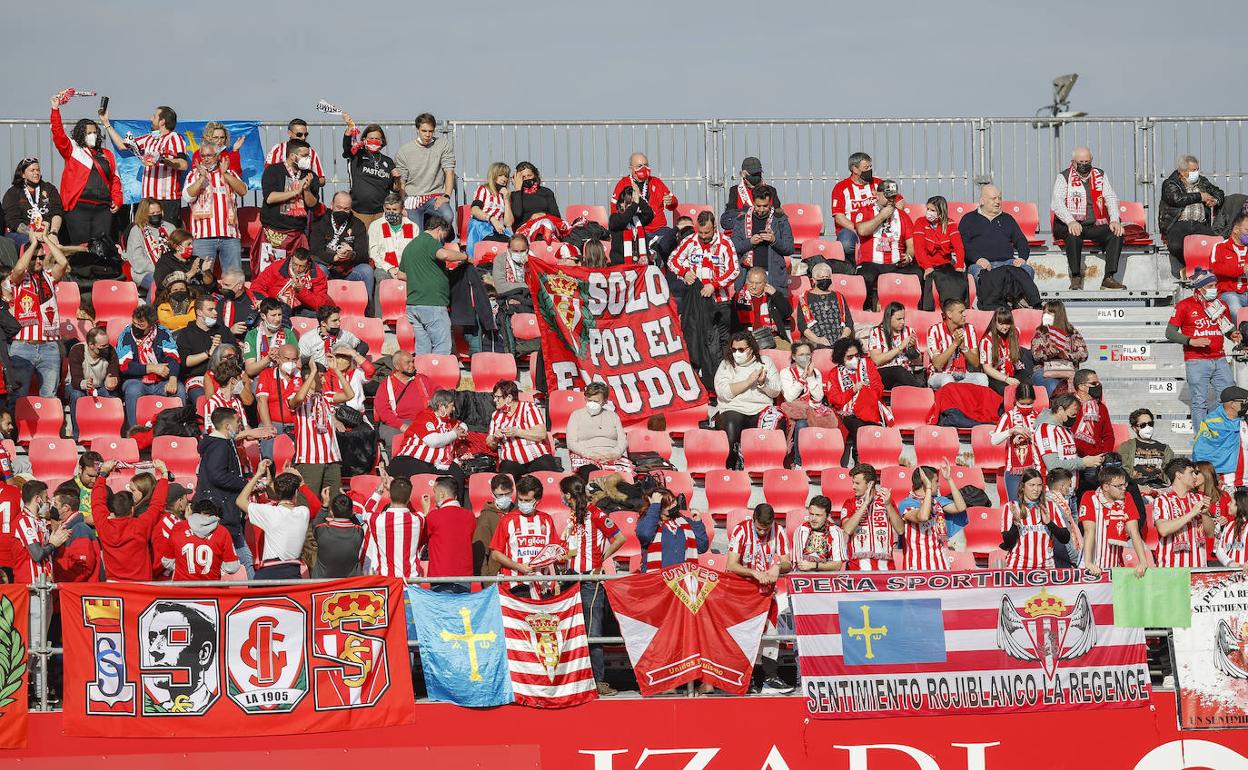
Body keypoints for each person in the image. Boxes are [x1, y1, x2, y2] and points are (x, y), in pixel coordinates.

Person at [559, 475, 624, 693]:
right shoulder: (570, 518)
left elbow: (620, 537)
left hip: (590, 579)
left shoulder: (596, 513)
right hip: (569, 577)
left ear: (568, 495)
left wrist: (601, 559)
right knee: (570, 630)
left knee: (593, 631)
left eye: (564, 495)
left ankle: (598, 681)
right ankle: (574, 678)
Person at [726, 503, 793, 694]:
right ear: (753, 519)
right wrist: (753, 573)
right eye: (759, 528)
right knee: (745, 634)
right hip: (742, 592)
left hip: (766, 593)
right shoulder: (741, 530)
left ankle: (770, 678)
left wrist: (777, 566)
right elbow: (731, 564)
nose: (763, 532)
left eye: (766, 528)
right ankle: (747, 679)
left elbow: (788, 562)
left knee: (771, 633)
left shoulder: (778, 531)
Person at [1168, 269, 1240, 427]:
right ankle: (1201, 438)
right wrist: (1191, 341)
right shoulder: (1184, 306)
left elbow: (1226, 328)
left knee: (1229, 397)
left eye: (1215, 284)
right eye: (1210, 285)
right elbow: (1169, 333)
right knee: (1199, 402)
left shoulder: (1221, 305)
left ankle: (1223, 431)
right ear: (1199, 287)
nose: (1215, 288)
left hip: (1220, 358)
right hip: (1196, 360)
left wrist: (1232, 334)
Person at [49, 93, 121, 244]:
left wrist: (117, 199)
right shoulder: (74, 149)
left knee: (102, 250)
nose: (93, 135)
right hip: (79, 208)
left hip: (103, 209)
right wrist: (55, 109)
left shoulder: (107, 154)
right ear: (81, 134)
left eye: (95, 132)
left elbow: (115, 179)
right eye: (89, 133)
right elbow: (58, 134)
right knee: (81, 250)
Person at [1050, 147, 1126, 290]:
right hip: (1068, 223)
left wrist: (1115, 219)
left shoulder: (1100, 175)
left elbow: (1110, 197)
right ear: (1073, 163)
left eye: (1087, 161)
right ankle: (1076, 276)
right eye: (1080, 162)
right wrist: (1070, 220)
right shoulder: (1064, 177)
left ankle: (1108, 278)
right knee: (1073, 234)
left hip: (1093, 224)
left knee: (1116, 232)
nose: (1084, 164)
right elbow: (1057, 203)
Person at [100, 103, 188, 223]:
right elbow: (121, 145)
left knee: (167, 236)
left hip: (167, 199)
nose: (151, 119)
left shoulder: (174, 138)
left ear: (162, 121)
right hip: (147, 200)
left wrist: (163, 160)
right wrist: (106, 123)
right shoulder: (148, 139)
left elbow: (183, 164)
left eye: (154, 116)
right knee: (144, 235)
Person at [6, 234, 69, 398]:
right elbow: (19, 269)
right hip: (22, 346)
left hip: (49, 346)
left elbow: (63, 263)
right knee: (18, 398)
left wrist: (46, 239)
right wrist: (33, 244)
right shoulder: (18, 279)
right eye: (34, 257)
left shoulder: (49, 276)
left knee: (49, 397)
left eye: (41, 257)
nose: (38, 261)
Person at [959, 185, 1039, 310]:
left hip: (1007, 263)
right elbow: (962, 245)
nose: (998, 202)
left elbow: (1021, 240)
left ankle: (1019, 302)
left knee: (1027, 269)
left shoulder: (1007, 219)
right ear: (982, 201)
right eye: (993, 198)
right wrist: (978, 259)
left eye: (999, 198)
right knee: (976, 272)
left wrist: (1022, 258)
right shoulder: (968, 219)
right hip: (981, 263)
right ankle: (989, 305)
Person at [669, 211, 740, 352]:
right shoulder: (690, 240)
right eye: (700, 232)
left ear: (714, 228)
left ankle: (723, 371)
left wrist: (714, 285)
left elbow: (734, 270)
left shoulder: (725, 242)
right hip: (697, 301)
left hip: (720, 301)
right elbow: (672, 260)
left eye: (706, 232)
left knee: (723, 340)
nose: (703, 236)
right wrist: (684, 272)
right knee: (697, 340)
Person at [194, 407, 253, 573]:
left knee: (243, 558)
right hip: (223, 512)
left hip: (223, 509)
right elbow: (218, 476)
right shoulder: (219, 446)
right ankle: (252, 596)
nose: (240, 426)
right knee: (245, 560)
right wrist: (244, 483)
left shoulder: (220, 443)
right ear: (227, 426)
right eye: (238, 422)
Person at [399, 214, 467, 355]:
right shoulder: (431, 242)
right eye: (443, 234)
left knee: (423, 349)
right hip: (432, 303)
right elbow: (444, 255)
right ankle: (437, 376)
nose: (442, 239)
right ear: (438, 230)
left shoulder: (410, 246)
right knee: (442, 348)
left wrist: (420, 277)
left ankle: (423, 375)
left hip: (413, 305)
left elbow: (401, 274)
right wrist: (464, 256)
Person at [714, 332, 783, 470]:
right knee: (731, 424)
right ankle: (731, 466)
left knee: (777, 420)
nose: (736, 353)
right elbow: (723, 393)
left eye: (741, 350)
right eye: (734, 350)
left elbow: (776, 391)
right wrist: (748, 381)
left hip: (760, 408)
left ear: (751, 348)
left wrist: (763, 382)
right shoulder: (726, 364)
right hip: (734, 408)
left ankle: (770, 466)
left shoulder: (765, 362)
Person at [92, 459, 169, 581]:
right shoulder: (141, 525)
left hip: (115, 587)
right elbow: (157, 505)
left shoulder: (104, 525)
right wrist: (164, 474)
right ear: (132, 509)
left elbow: (97, 502)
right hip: (140, 586)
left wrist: (103, 474)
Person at [236, 462, 314, 579]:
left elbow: (240, 501)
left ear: (277, 493)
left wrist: (257, 474)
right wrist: (302, 483)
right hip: (293, 574)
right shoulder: (303, 513)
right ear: (296, 492)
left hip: (269, 574)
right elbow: (316, 505)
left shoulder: (269, 512)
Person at [853, 179, 921, 311]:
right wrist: (881, 216)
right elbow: (861, 230)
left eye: (893, 197)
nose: (891, 200)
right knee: (864, 276)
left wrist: (909, 256)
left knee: (918, 273)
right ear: (877, 195)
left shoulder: (902, 216)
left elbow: (911, 243)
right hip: (871, 261)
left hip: (895, 262)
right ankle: (865, 312)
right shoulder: (865, 210)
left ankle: (915, 311)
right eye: (888, 196)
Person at [289, 361, 353, 499]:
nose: (324, 380)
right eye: (321, 376)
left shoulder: (326, 396)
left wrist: (336, 370)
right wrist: (312, 372)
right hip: (309, 459)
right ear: (309, 378)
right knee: (308, 501)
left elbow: (349, 395)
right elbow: (298, 398)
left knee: (334, 500)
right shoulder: (298, 397)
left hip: (331, 458)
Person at [489, 474, 561, 598]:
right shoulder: (507, 520)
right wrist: (518, 566)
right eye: (520, 500)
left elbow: (554, 550)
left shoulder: (546, 520)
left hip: (544, 585)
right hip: (516, 585)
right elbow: (495, 554)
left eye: (527, 500)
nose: (523, 503)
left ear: (537, 501)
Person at [183, 138, 246, 273]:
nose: (206, 159)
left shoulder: (229, 173)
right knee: (201, 278)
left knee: (233, 277)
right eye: (203, 156)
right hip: (203, 236)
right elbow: (188, 196)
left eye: (209, 155)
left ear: (217, 156)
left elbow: (243, 191)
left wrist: (225, 175)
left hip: (229, 235)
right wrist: (201, 179)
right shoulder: (193, 175)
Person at [257, 139, 320, 273]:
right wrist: (295, 191)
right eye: (304, 156)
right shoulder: (273, 171)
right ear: (292, 156)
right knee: (269, 274)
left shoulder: (310, 175)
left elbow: (312, 204)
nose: (308, 159)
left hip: (296, 234)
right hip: (272, 233)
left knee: (298, 273)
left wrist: (306, 190)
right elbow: (270, 198)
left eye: (308, 156)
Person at [116, 305, 183, 429]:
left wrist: (173, 378)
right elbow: (125, 366)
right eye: (134, 323)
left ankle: (179, 430)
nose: (136, 328)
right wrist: (152, 368)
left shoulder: (163, 332)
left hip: (162, 380)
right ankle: (134, 431)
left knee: (179, 389)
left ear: (151, 325)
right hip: (136, 380)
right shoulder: (125, 335)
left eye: (141, 325)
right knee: (133, 390)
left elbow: (173, 357)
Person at [826, 336, 888, 466]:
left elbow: (878, 386)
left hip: (870, 408)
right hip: (847, 413)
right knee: (858, 426)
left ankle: (872, 460)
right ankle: (859, 459)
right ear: (841, 357)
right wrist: (853, 391)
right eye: (849, 357)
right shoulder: (834, 373)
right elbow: (835, 399)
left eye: (856, 355)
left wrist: (866, 396)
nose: (854, 359)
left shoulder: (868, 364)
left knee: (871, 426)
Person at [1159, 154, 1224, 275]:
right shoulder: (1170, 183)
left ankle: (1206, 270)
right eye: (1193, 170)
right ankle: (1188, 266)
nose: (1197, 173)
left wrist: (1215, 200)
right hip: (1178, 223)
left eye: (1197, 169)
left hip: (1200, 224)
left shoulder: (1202, 182)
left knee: (1216, 245)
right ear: (1183, 172)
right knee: (1175, 245)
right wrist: (1200, 196)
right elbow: (1177, 199)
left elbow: (1219, 192)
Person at [896, 462, 968, 571]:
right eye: (936, 481)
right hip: (917, 565)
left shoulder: (937, 500)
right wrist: (928, 488)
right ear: (925, 482)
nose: (939, 485)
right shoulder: (906, 503)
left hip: (941, 562)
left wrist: (949, 479)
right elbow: (923, 516)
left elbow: (961, 507)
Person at [1079, 466, 1148, 577]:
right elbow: (1089, 531)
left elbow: (1134, 531)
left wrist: (1143, 561)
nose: (1124, 488)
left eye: (1124, 484)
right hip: (1091, 564)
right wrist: (1088, 563)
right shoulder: (1089, 497)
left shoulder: (1127, 497)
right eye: (1118, 486)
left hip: (1114, 565)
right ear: (1106, 487)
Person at [390, 389, 469, 486]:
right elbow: (433, 441)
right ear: (441, 407)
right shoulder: (425, 416)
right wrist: (454, 434)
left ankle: (452, 501)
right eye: (451, 406)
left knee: (458, 474)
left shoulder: (449, 422)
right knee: (423, 476)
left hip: (435, 464)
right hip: (412, 459)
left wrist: (461, 430)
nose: (453, 409)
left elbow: (463, 425)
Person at [1000, 467, 1071, 569]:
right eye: (1032, 485)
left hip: (1046, 567)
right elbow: (1008, 543)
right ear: (1023, 487)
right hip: (1018, 567)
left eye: (1039, 485)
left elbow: (1065, 538)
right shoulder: (1011, 507)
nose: (1036, 489)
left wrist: (1049, 523)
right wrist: (1015, 524)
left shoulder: (1050, 506)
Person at [728, 185, 794, 294]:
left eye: (765, 206)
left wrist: (774, 241)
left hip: (773, 276)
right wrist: (750, 243)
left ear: (770, 203)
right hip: (748, 276)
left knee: (772, 310)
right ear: (753, 202)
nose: (762, 209)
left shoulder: (780, 219)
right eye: (758, 206)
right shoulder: (741, 220)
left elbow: (790, 247)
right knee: (748, 311)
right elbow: (733, 247)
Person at [395, 113, 456, 232]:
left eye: (431, 131)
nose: (427, 134)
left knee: (448, 216)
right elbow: (402, 180)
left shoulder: (442, 144)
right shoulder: (405, 151)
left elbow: (449, 170)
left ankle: (438, 246)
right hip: (412, 197)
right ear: (417, 129)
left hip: (434, 195)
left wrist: (447, 196)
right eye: (424, 131)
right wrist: (402, 204)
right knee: (415, 232)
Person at [310, 191, 374, 302]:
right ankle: (319, 309)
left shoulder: (357, 224)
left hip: (348, 270)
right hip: (328, 267)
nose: (342, 211)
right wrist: (334, 257)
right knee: (320, 269)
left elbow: (363, 254)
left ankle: (367, 312)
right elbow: (315, 251)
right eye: (339, 207)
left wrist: (351, 255)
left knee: (366, 270)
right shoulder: (320, 222)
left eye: (346, 209)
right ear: (332, 205)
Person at [488, 379, 560, 477]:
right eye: (494, 396)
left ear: (509, 398)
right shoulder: (496, 415)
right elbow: (490, 443)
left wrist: (517, 432)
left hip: (536, 457)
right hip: (511, 462)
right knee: (505, 475)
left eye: (497, 397)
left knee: (550, 471)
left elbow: (541, 434)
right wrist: (494, 438)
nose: (494, 400)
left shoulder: (528, 408)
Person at [1153, 458, 1217, 568]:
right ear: (1179, 475)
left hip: (1198, 567)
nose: (1195, 476)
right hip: (1172, 569)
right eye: (1191, 473)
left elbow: (1210, 533)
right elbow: (1163, 530)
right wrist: (1192, 513)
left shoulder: (1199, 498)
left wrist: (1205, 514)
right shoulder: (1162, 500)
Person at [841, 463, 903, 571]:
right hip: (856, 568)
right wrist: (865, 504)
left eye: (857, 483)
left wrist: (888, 505)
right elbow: (847, 529)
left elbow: (901, 530)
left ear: (870, 484)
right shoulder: (850, 503)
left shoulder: (886, 500)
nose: (853, 487)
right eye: (853, 483)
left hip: (885, 569)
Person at [339, 115, 398, 227]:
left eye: (377, 138)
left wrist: (398, 178)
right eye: (371, 138)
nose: (374, 141)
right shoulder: (357, 154)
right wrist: (349, 129)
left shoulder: (388, 161)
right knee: (362, 244)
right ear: (364, 139)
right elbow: (347, 148)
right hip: (359, 212)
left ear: (382, 141)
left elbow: (394, 188)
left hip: (382, 213)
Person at [611, 152, 678, 250]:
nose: (643, 168)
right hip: (636, 230)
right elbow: (614, 210)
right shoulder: (623, 184)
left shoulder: (656, 182)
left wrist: (670, 201)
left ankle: (657, 254)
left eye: (646, 165)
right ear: (631, 169)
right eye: (639, 166)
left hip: (659, 229)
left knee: (672, 235)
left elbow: (674, 204)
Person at [780, 340, 831, 468]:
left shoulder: (816, 372)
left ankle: (824, 460)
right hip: (794, 412)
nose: (805, 358)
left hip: (813, 409)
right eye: (801, 355)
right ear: (793, 356)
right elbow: (789, 397)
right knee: (802, 424)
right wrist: (803, 378)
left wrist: (810, 377)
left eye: (808, 355)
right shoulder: (786, 372)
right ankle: (799, 462)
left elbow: (818, 397)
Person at [162, 498, 241, 581]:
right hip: (210, 590)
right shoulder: (222, 532)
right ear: (215, 515)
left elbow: (167, 562)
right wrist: (217, 565)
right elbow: (232, 567)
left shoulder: (178, 528)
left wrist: (182, 564)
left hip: (183, 590)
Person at [177, 296, 236, 404]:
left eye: (215, 309)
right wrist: (208, 353)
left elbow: (237, 355)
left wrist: (222, 348)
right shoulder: (186, 333)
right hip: (198, 379)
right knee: (204, 400)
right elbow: (185, 362)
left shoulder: (223, 330)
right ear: (199, 312)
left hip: (224, 376)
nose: (215, 313)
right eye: (210, 310)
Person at [65, 327, 121, 440]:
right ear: (91, 345)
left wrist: (112, 381)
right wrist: (85, 384)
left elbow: (114, 372)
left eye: (107, 344)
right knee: (77, 395)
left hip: (100, 386)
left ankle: (110, 433)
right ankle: (79, 435)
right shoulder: (77, 350)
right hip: (78, 385)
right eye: (102, 346)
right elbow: (75, 379)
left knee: (111, 394)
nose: (107, 348)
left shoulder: (111, 351)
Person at [636, 488, 710, 572]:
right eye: (669, 503)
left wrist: (697, 524)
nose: (675, 504)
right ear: (659, 507)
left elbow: (702, 547)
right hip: (656, 579)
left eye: (674, 500)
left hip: (682, 579)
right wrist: (655, 505)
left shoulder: (684, 521)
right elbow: (645, 534)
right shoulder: (648, 522)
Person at [565, 382, 630, 477]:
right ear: (585, 399)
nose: (592, 404)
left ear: (604, 401)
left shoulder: (613, 416)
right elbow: (571, 442)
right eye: (589, 400)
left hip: (612, 457)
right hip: (588, 457)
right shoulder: (576, 415)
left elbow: (622, 440)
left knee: (623, 480)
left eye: (596, 402)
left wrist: (616, 453)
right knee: (590, 474)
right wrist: (590, 454)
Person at [914, 195, 967, 311]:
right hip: (926, 264)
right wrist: (927, 267)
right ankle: (929, 309)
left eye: (933, 210)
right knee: (930, 277)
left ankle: (955, 308)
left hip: (944, 264)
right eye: (928, 209)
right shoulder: (920, 222)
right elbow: (919, 249)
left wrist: (959, 266)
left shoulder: (950, 224)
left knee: (957, 278)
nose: (929, 213)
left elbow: (959, 247)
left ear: (941, 212)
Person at [991, 382, 1043, 502]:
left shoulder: (1039, 416)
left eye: (1029, 404)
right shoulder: (1008, 416)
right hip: (1013, 471)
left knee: (1034, 506)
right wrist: (1012, 430)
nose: (1026, 407)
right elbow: (994, 440)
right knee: (1015, 506)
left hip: (1034, 470)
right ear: (1016, 400)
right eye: (1022, 404)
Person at [423, 475, 475, 592]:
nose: (434, 496)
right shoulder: (470, 516)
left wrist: (426, 514)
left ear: (442, 494)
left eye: (435, 492)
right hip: (464, 577)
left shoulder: (433, 516)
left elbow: (422, 539)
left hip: (440, 577)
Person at [1036, 393, 1105, 478]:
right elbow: (1053, 465)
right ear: (1060, 410)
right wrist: (1083, 462)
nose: (1074, 418)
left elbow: (1069, 458)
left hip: (1068, 487)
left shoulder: (1065, 428)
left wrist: (1091, 460)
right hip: (1052, 487)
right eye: (1072, 415)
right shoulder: (1046, 429)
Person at [374, 351, 432, 450]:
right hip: (396, 423)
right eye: (408, 362)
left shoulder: (422, 379)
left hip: (423, 421)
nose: (412, 365)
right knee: (394, 439)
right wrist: (401, 426)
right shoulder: (386, 384)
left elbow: (440, 394)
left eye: (413, 362)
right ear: (397, 366)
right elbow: (383, 411)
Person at [830, 152, 883, 261]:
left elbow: (899, 201)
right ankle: (852, 267)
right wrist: (858, 230)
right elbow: (839, 217)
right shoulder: (841, 187)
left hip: (878, 227)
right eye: (866, 167)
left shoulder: (878, 183)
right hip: (852, 231)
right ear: (855, 169)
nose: (869, 170)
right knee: (846, 243)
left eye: (870, 167)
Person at [926, 298, 987, 388]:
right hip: (939, 374)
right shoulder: (934, 331)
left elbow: (976, 363)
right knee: (947, 379)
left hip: (962, 374)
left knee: (982, 378)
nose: (964, 315)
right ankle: (952, 402)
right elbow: (937, 364)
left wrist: (963, 347)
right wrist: (955, 344)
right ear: (949, 314)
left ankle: (979, 402)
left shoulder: (970, 329)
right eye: (961, 312)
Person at [251, 248, 330, 318]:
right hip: (274, 304)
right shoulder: (277, 267)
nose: (297, 269)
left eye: (301, 266)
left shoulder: (317, 275)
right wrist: (266, 302)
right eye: (295, 264)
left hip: (300, 309)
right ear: (291, 259)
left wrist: (301, 291)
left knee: (323, 315)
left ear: (308, 264)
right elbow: (257, 286)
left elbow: (321, 304)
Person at [1030, 300, 1087, 396]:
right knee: (1054, 386)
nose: (1045, 315)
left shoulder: (1072, 333)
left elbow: (1084, 354)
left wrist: (1066, 355)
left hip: (1068, 370)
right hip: (1044, 370)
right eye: (1044, 312)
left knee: (1085, 384)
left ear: (1058, 315)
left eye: (1049, 313)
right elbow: (1036, 355)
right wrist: (1050, 352)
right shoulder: (1040, 333)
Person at [254, 344, 302, 459]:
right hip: (274, 424)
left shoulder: (302, 376)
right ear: (278, 358)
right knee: (270, 458)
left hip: (297, 424)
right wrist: (268, 426)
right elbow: (262, 401)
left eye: (294, 359)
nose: (290, 362)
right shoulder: (267, 374)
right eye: (287, 359)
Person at [3, 157, 63, 249]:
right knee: (34, 245)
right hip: (22, 234)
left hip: (48, 231)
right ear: (23, 174)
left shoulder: (49, 188)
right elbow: (13, 220)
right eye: (32, 170)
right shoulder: (13, 192)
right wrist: (33, 233)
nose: (36, 173)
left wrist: (53, 233)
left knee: (57, 245)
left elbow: (57, 211)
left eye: (38, 170)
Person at [1192, 386, 1248, 480]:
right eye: (1244, 402)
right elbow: (1201, 453)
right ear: (1232, 404)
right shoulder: (1210, 423)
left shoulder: (1243, 421)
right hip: (1224, 481)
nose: (1246, 404)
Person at [368, 194, 418, 299]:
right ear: (383, 208)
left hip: (406, 268)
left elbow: (415, 253)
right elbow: (373, 253)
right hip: (384, 267)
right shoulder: (375, 226)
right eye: (388, 209)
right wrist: (390, 268)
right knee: (381, 279)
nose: (391, 212)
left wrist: (403, 270)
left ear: (402, 209)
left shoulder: (413, 227)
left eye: (394, 209)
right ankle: (380, 315)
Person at [731, 266, 793, 350]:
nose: (753, 286)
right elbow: (732, 324)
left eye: (758, 283)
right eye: (751, 282)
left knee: (789, 350)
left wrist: (775, 294)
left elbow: (787, 312)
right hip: (747, 338)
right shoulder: (738, 297)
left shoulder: (772, 296)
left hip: (772, 337)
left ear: (765, 283)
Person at [796, 261, 854, 349]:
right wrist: (817, 339)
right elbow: (802, 326)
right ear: (814, 280)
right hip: (816, 341)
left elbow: (848, 322)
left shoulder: (838, 296)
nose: (824, 279)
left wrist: (843, 338)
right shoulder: (804, 298)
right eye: (821, 277)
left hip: (840, 339)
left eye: (827, 277)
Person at [866, 302, 923, 388]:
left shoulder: (909, 331)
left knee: (900, 385)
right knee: (898, 370)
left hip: (905, 375)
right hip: (883, 374)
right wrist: (900, 347)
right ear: (889, 318)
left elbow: (918, 361)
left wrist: (911, 349)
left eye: (903, 318)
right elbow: (877, 360)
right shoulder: (876, 332)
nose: (903, 322)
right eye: (899, 319)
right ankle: (921, 391)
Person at [311, 494, 366, 578]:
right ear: (351, 512)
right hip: (349, 584)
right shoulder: (358, 531)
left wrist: (324, 506)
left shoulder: (322, 530)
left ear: (331, 512)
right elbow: (356, 522)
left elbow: (316, 524)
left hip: (323, 585)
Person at [1118, 408, 1174, 490]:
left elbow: (1171, 474)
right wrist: (1138, 488)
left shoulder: (1165, 448)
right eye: (1143, 425)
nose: (1148, 428)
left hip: (1161, 489)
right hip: (1136, 489)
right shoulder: (1126, 447)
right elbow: (1123, 473)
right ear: (1134, 428)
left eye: (1150, 424)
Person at [240, 297, 295, 377]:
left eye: (279, 315)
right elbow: (250, 370)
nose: (277, 319)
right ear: (263, 316)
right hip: (260, 378)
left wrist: (281, 356)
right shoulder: (252, 335)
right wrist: (268, 358)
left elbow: (297, 363)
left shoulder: (288, 333)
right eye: (273, 315)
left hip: (283, 376)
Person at [978, 307, 1028, 394]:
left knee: (1027, 388)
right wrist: (1006, 379)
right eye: (1001, 323)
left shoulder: (1015, 332)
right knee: (1006, 391)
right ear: (995, 323)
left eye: (1007, 323)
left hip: (1014, 371)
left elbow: (1017, 360)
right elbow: (987, 368)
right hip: (997, 376)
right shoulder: (987, 341)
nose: (1005, 327)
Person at [473, 474, 515, 576]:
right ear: (492, 494)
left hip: (518, 572)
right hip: (497, 575)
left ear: (512, 492)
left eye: (507, 494)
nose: (504, 498)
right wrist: (487, 580)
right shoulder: (486, 518)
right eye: (500, 495)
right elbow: (480, 553)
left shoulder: (518, 513)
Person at [297, 304, 363, 369]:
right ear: (323, 323)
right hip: (319, 374)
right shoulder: (307, 339)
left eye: (339, 320)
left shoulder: (345, 335)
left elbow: (363, 346)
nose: (339, 323)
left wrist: (354, 359)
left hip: (340, 373)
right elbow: (303, 361)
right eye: (334, 321)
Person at [509, 162, 562, 241]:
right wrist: (518, 191)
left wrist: (543, 215)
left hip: (547, 225)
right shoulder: (514, 195)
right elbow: (517, 215)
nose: (527, 178)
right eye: (523, 177)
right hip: (526, 231)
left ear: (535, 175)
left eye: (529, 175)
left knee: (545, 224)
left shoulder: (546, 192)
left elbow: (557, 215)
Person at [792, 496, 847, 572]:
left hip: (827, 579)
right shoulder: (801, 530)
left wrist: (814, 565)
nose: (813, 518)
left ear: (828, 516)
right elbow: (800, 563)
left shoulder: (836, 532)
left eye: (818, 515)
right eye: (811, 514)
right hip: (804, 577)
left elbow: (837, 565)